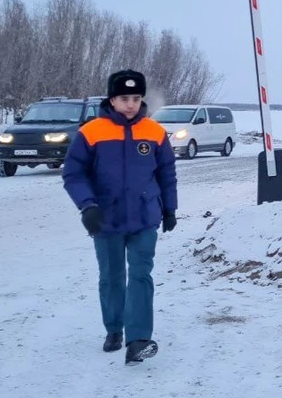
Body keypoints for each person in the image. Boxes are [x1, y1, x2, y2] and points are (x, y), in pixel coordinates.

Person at [63, 69, 178, 366]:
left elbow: (166, 174)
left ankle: (138, 339)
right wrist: (87, 206)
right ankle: (114, 328)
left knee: (141, 274)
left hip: (144, 217)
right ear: (112, 100)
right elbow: (74, 174)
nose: (131, 104)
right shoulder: (92, 132)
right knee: (112, 277)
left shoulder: (154, 132)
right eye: (124, 98)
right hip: (106, 218)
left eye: (136, 98)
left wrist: (169, 209)